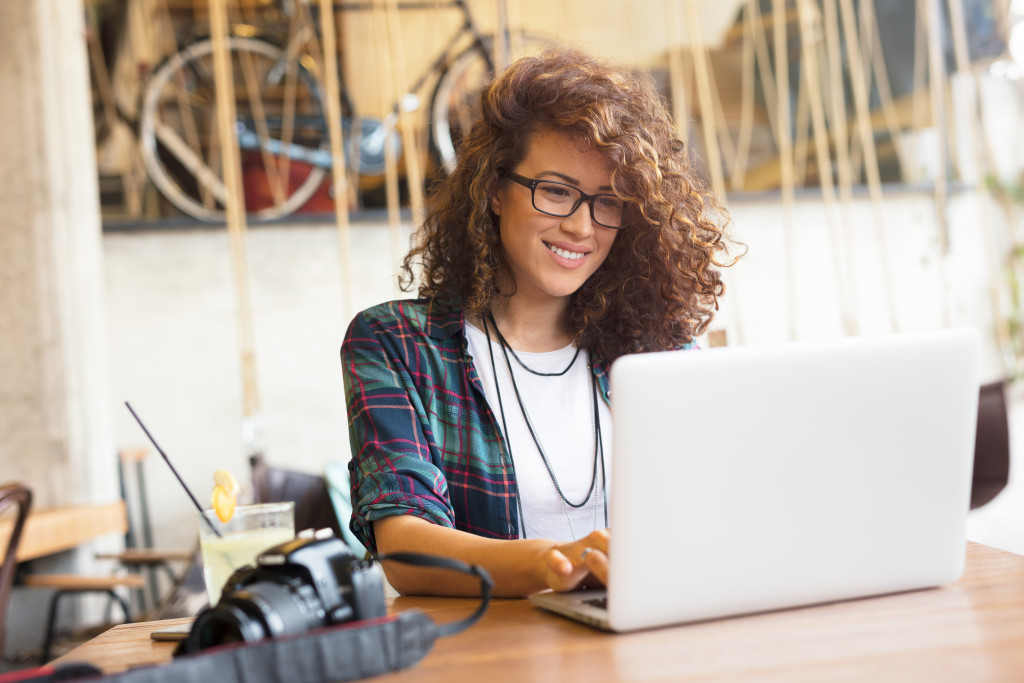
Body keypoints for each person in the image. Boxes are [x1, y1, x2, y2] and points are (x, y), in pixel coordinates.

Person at [341, 47, 734, 598]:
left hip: (650, 634)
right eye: (555, 191)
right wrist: (555, 562)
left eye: (608, 201)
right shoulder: (396, 343)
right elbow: (406, 545)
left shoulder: (658, 347)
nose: (581, 226)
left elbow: (718, 507)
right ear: (495, 189)